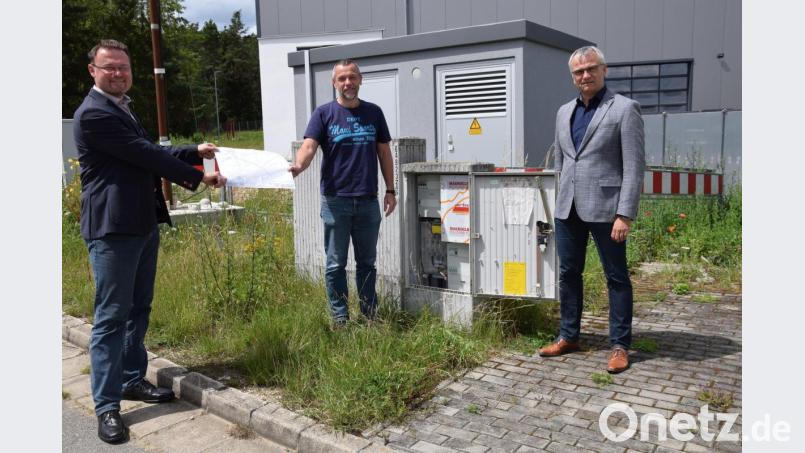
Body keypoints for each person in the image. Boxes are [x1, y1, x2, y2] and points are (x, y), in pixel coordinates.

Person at [74, 39, 227, 444]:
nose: (118, 73)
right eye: (109, 68)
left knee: (139, 307)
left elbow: (148, 149)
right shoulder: (93, 114)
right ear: (93, 71)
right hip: (111, 230)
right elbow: (144, 155)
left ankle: (130, 379)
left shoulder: (122, 107)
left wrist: (193, 150)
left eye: (123, 67)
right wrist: (197, 175)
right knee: (111, 318)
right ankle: (107, 407)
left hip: (142, 224)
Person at [538, 46, 645, 374]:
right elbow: (561, 162)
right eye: (578, 72)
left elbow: (634, 165)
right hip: (568, 207)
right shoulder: (563, 112)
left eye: (590, 69)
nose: (585, 75)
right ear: (573, 77)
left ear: (604, 70)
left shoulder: (625, 109)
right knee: (568, 274)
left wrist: (624, 213)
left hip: (607, 209)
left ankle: (619, 345)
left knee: (616, 277)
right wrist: (558, 201)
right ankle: (569, 336)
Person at [289, 59, 396, 326]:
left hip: (368, 201)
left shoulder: (374, 113)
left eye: (352, 77)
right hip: (336, 201)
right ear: (334, 83)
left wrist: (391, 190)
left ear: (360, 79)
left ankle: (370, 316)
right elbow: (309, 146)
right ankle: (340, 319)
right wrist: (298, 166)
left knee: (367, 264)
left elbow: (384, 153)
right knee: (336, 264)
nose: (347, 83)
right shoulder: (323, 114)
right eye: (342, 79)